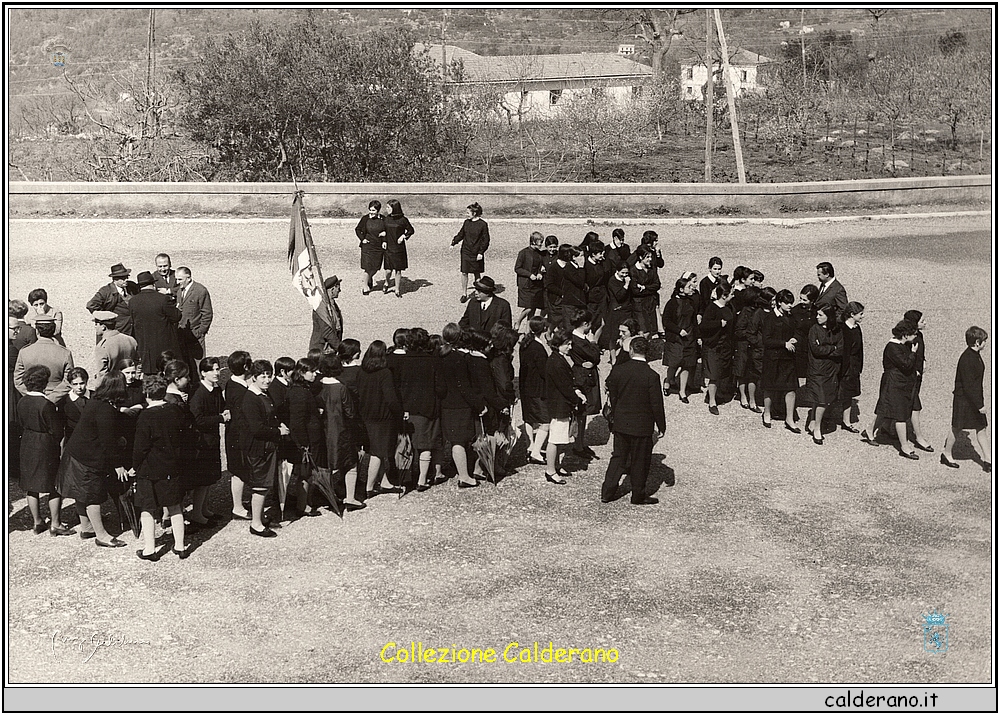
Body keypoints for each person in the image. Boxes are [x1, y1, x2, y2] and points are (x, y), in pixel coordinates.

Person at [57, 371, 129, 547]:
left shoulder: (97, 400)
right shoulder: (105, 409)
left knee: (81, 494)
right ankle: (101, 535)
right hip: (87, 459)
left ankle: (87, 527)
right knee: (92, 495)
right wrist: (118, 465)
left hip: (75, 453)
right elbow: (107, 441)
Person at [601, 336, 666, 505]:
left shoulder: (619, 370)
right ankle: (638, 495)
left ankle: (607, 492)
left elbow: (612, 395)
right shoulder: (651, 376)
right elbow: (656, 404)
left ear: (630, 350)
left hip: (621, 422)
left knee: (618, 458)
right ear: (647, 353)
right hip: (642, 425)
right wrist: (661, 425)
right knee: (640, 461)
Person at [133, 374, 190, 561]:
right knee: (175, 507)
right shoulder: (174, 410)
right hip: (172, 467)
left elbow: (141, 447)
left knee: (148, 509)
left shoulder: (145, 416)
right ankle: (180, 546)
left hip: (150, 470)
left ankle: (150, 549)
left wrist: (135, 466)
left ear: (146, 394)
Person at [17, 365, 73, 536]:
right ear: (44, 383)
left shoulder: (22, 401)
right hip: (45, 445)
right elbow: (56, 430)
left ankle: (37, 522)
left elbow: (20, 423)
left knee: (31, 485)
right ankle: (55, 523)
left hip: (27, 443)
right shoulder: (46, 404)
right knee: (54, 484)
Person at [241, 359, 289, 536]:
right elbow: (257, 428)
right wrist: (278, 431)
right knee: (260, 486)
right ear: (254, 377)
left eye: (269, 376)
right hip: (258, 450)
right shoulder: (251, 399)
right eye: (263, 376)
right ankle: (256, 524)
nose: (267, 380)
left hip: (267, 448)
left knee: (264, 485)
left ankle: (259, 517)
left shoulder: (262, 394)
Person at [397, 328, 446, 490]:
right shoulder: (433, 361)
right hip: (428, 408)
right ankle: (422, 479)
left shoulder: (403, 361)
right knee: (426, 444)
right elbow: (440, 387)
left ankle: (408, 476)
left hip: (407, 408)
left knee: (409, 445)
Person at [866, 321, 921, 459]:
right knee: (900, 415)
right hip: (894, 383)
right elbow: (906, 364)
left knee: (886, 410)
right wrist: (913, 353)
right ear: (905, 335)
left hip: (899, 382)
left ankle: (869, 430)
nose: (915, 336)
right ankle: (905, 447)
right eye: (913, 334)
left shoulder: (901, 344)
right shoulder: (892, 347)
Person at [439, 323, 483, 489]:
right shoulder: (460, 359)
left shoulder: (439, 356)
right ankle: (464, 476)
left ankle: (461, 471)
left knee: (455, 441)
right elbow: (465, 387)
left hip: (446, 404)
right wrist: (478, 404)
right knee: (459, 441)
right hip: (460, 405)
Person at [317, 353, 364, 510]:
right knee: (350, 463)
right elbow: (350, 412)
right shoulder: (341, 388)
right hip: (341, 430)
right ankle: (350, 497)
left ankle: (328, 494)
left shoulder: (318, 385)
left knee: (327, 464)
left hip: (323, 431)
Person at [357, 340, 403, 498]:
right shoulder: (385, 373)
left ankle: (384, 482)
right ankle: (369, 487)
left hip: (367, 415)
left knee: (379, 450)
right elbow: (390, 399)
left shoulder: (362, 371)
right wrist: (399, 413)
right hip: (383, 418)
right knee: (379, 452)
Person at [941, 326, 991, 472]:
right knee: (957, 427)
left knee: (981, 428)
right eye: (984, 341)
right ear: (977, 342)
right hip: (965, 400)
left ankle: (988, 459)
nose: (985, 343)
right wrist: (980, 405)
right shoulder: (968, 359)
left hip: (972, 399)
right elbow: (969, 386)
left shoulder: (973, 355)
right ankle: (947, 453)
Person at [188, 356, 229, 526]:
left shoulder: (216, 389)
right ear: (203, 373)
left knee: (209, 478)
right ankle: (197, 514)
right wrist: (220, 418)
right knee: (202, 480)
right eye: (212, 369)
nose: (216, 372)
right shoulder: (198, 392)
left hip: (211, 439)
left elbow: (222, 406)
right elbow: (198, 419)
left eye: (217, 369)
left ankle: (204, 510)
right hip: (201, 442)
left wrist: (224, 411)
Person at [544, 329, 586, 484]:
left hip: (559, 404)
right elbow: (565, 387)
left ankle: (556, 465)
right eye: (567, 344)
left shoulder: (557, 358)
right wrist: (577, 398)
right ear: (558, 345)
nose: (570, 347)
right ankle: (550, 470)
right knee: (555, 439)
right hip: (559, 405)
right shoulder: (556, 362)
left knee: (559, 438)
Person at [287, 357, 324, 517]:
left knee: (306, 472)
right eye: (312, 371)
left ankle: (304, 503)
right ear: (302, 372)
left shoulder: (299, 388)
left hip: (308, 438)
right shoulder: (301, 393)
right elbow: (297, 422)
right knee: (305, 473)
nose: (315, 374)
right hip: (307, 440)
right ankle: (303, 506)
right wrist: (304, 443)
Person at [760, 289, 800, 432]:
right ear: (779, 303)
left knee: (791, 388)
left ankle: (789, 418)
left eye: (791, 303)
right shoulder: (770, 318)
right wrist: (784, 344)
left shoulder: (790, 316)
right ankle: (767, 412)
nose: (790, 305)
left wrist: (795, 338)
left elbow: (797, 330)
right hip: (773, 359)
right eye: (787, 303)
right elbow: (766, 340)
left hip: (787, 359)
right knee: (770, 388)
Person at [803, 304, 843, 445]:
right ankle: (817, 429)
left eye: (821, 315)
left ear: (829, 316)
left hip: (831, 370)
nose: (817, 317)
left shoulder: (836, 330)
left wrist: (826, 348)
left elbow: (841, 349)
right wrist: (832, 348)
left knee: (823, 398)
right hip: (817, 370)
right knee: (821, 399)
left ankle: (813, 421)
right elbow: (816, 349)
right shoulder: (814, 329)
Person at [130, 270, 182, 375]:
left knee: (149, 376)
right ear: (153, 284)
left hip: (144, 346)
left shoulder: (133, 301)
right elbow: (176, 317)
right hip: (163, 345)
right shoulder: (163, 299)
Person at [13, 315, 73, 403]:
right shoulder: (64, 353)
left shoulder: (25, 352)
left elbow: (18, 379)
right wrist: (52, 397)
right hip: (57, 400)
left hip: (32, 400)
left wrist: (30, 395)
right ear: (53, 330)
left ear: (37, 331)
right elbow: (69, 380)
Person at [661, 272, 699, 402]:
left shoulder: (691, 302)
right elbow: (666, 321)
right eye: (689, 286)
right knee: (674, 363)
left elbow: (694, 321)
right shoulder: (672, 303)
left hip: (689, 338)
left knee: (687, 364)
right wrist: (678, 330)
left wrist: (697, 336)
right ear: (681, 289)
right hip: (676, 339)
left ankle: (682, 392)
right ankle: (668, 381)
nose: (692, 288)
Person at [568, 309, 601, 460]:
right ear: (586, 324)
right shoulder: (579, 340)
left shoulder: (577, 337)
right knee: (582, 411)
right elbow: (595, 355)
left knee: (584, 412)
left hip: (585, 374)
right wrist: (594, 342)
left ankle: (580, 442)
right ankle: (578, 445)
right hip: (583, 377)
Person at [224, 351, 253, 520]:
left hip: (234, 433)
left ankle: (239, 503)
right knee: (239, 471)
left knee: (239, 470)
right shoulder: (241, 390)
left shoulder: (231, 383)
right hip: (239, 435)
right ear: (245, 367)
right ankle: (238, 507)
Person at [700, 280, 735, 415]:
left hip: (725, 346)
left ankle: (716, 394)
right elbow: (703, 326)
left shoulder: (729, 307)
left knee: (721, 373)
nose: (733, 296)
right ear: (724, 296)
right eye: (731, 294)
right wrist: (718, 324)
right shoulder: (712, 308)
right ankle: (712, 401)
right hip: (714, 347)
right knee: (714, 375)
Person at [519, 317, 550, 465]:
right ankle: (536, 451)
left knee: (529, 418)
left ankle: (530, 446)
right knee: (545, 422)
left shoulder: (525, 344)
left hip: (525, 386)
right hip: (537, 388)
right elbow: (544, 371)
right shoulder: (538, 348)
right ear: (544, 329)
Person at [903, 309, 934, 452]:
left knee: (903, 403)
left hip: (917, 375)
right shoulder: (910, 339)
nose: (925, 323)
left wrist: (924, 362)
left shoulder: (918, 335)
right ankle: (919, 437)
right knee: (915, 406)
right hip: (911, 377)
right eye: (922, 321)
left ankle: (878, 428)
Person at [175, 266, 213, 375]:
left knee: (198, 365)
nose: (177, 282)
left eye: (180, 279)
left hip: (195, 334)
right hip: (182, 334)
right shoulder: (180, 291)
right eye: (176, 279)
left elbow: (207, 313)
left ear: (189, 278)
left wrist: (200, 332)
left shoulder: (200, 291)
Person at [451, 202, 490, 303]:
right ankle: (464, 294)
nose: (466, 214)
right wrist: (454, 241)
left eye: (468, 212)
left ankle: (479, 291)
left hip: (476, 252)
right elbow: (461, 234)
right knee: (464, 272)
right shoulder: (466, 222)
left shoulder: (483, 225)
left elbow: (486, 240)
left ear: (474, 213)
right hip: (466, 251)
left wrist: (481, 252)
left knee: (477, 273)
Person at [90, 310, 138, 389]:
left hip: (112, 387)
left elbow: (102, 374)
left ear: (103, 327)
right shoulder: (130, 340)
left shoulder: (102, 346)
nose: (95, 327)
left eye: (96, 324)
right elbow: (137, 363)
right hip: (130, 384)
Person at [838, 301, 866, 432]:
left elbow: (860, 349)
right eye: (860, 314)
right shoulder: (842, 329)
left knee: (848, 394)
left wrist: (859, 367)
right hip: (843, 367)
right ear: (851, 314)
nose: (863, 316)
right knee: (836, 393)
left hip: (853, 367)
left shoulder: (857, 328)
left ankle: (846, 421)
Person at [733, 285, 761, 410]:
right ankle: (743, 396)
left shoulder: (757, 310)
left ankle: (752, 399)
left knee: (752, 374)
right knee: (742, 373)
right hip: (744, 346)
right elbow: (738, 331)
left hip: (753, 346)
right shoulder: (745, 312)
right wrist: (751, 333)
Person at [86, 263, 133, 336]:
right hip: (117, 329)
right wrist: (106, 317)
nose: (126, 280)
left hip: (131, 328)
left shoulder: (132, 287)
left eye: (127, 277)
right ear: (115, 279)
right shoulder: (106, 291)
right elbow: (91, 305)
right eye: (123, 278)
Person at [513, 231, 546, 332]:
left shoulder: (540, 254)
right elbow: (517, 268)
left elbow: (541, 265)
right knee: (529, 308)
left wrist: (540, 272)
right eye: (540, 242)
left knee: (533, 308)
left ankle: (528, 331)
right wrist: (529, 275)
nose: (541, 244)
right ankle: (518, 321)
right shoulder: (523, 253)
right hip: (526, 285)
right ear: (534, 241)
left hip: (536, 285)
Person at [382, 199, 415, 298]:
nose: (386, 209)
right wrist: (384, 240)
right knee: (388, 270)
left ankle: (397, 289)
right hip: (388, 247)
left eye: (388, 207)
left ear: (394, 208)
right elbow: (383, 231)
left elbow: (411, 230)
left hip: (399, 248)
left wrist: (403, 236)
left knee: (398, 269)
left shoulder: (403, 220)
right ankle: (387, 282)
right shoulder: (386, 219)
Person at [790, 285, 820, 386]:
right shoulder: (794, 311)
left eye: (805, 300)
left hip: (811, 348)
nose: (801, 302)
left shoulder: (818, 312)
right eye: (801, 298)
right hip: (798, 348)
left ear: (812, 301)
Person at [357, 199, 387, 295]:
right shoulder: (365, 218)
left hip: (378, 246)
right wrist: (362, 239)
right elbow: (357, 229)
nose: (371, 212)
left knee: (376, 267)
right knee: (367, 267)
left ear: (378, 210)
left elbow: (388, 230)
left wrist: (385, 238)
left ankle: (369, 278)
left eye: (373, 210)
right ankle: (365, 286)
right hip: (367, 246)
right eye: (370, 210)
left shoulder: (383, 219)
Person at [307, 275, 344, 355]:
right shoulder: (321, 308)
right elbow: (327, 331)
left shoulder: (332, 305)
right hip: (321, 351)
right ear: (332, 289)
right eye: (338, 288)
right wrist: (341, 349)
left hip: (331, 349)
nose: (340, 290)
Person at [629, 246, 661, 336]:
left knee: (653, 331)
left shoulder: (651, 269)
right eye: (647, 257)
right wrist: (651, 289)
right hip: (639, 306)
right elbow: (635, 291)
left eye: (650, 257)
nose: (650, 259)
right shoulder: (633, 271)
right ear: (640, 257)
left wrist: (645, 287)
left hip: (650, 304)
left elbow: (657, 285)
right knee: (643, 332)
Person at [583, 239, 610, 341]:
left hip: (602, 297)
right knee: (591, 321)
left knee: (602, 322)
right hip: (591, 298)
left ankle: (595, 342)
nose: (603, 255)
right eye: (600, 253)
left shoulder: (602, 263)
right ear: (593, 254)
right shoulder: (586, 265)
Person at [62, 367, 90, 444]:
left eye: (82, 383)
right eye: (75, 384)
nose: (79, 387)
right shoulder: (64, 401)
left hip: (93, 442)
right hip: (72, 442)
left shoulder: (96, 397)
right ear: (70, 384)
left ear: (86, 382)